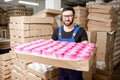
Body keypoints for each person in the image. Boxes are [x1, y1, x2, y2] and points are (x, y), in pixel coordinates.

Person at [52, 6, 88, 80]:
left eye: (69, 16)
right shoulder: (57, 31)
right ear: (62, 17)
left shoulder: (80, 31)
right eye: (65, 16)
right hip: (62, 67)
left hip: (75, 68)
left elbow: (86, 48)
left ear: (74, 17)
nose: (67, 18)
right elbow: (51, 46)